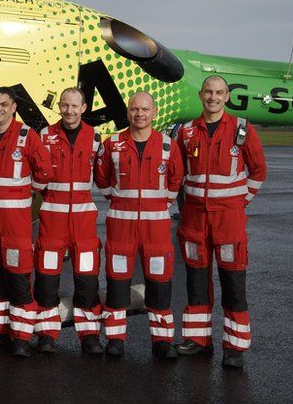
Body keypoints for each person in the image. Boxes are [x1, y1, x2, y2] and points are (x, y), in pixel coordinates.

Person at [175, 75, 267, 369]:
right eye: (208, 92)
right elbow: (177, 174)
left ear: (227, 96)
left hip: (229, 221)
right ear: (201, 95)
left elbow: (258, 171)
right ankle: (198, 340)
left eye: (219, 93)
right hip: (194, 220)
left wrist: (240, 202)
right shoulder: (186, 132)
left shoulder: (242, 129)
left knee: (232, 282)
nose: (213, 97)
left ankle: (234, 347)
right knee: (196, 281)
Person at [94, 91, 183, 360]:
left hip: (156, 231)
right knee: (117, 284)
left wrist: (156, 205)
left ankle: (162, 342)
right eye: (134, 109)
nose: (139, 114)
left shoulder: (169, 145)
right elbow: (102, 180)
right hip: (121, 228)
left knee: (159, 285)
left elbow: (175, 181)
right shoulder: (112, 144)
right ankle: (115, 340)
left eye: (145, 109)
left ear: (154, 113)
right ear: (129, 112)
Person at [0, 87, 50, 358]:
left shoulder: (27, 136)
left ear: (14, 107)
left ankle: (21, 336)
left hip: (15, 226)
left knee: (18, 281)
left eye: (3, 104)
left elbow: (43, 173)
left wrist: (25, 195)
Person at [34, 87, 105, 356]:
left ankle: (89, 337)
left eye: (75, 106)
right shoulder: (45, 136)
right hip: (53, 217)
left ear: (84, 108)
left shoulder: (96, 138)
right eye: (65, 105)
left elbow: (103, 177)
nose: (69, 111)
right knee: (47, 278)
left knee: (87, 279)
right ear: (59, 106)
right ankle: (47, 335)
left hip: (84, 220)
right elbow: (39, 178)